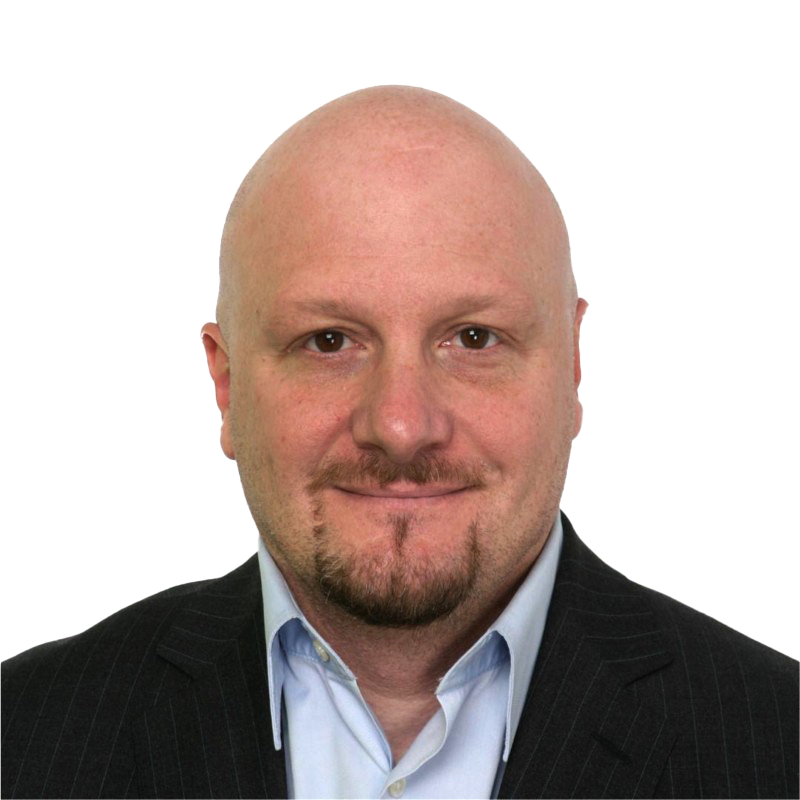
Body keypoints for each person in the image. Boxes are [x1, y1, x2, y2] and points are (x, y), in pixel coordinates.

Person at [2, 85, 797, 800]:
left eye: (474, 338)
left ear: (575, 366)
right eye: (328, 341)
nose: (402, 425)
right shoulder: (25, 740)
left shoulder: (777, 747)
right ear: (227, 382)